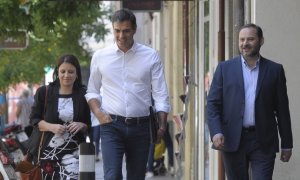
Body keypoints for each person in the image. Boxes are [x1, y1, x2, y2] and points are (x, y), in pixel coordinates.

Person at [85, 9, 171, 180]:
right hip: (111, 125)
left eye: (126, 31)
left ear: (134, 30)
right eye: (117, 30)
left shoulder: (150, 56)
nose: (121, 35)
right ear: (113, 29)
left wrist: (161, 124)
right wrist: (99, 113)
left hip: (141, 126)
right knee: (112, 176)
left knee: (136, 176)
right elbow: (92, 91)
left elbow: (161, 94)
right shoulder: (100, 56)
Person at [207, 23, 293, 180]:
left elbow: (282, 110)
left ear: (261, 41)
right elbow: (212, 104)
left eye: (250, 39)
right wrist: (216, 131)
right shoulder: (224, 69)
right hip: (232, 139)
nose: (245, 43)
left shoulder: (275, 70)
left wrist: (287, 143)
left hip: (263, 141)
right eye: (242, 39)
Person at [29, 54, 91, 179]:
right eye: (63, 71)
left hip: (77, 155)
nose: (66, 75)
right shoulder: (44, 92)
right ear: (57, 72)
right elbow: (34, 120)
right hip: (48, 155)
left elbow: (90, 124)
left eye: (71, 72)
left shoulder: (84, 94)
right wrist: (51, 127)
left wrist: (82, 125)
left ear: (77, 74)